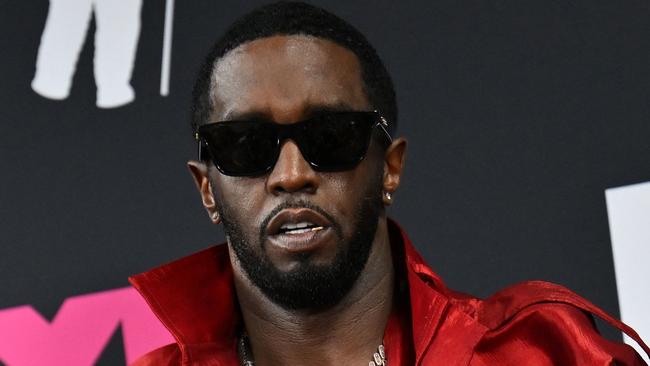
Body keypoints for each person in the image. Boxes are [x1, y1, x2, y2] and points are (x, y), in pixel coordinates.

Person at [129, 2, 649, 365]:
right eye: (245, 145)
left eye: (331, 136)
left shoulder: (543, 355)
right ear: (206, 190)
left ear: (390, 167)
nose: (291, 175)